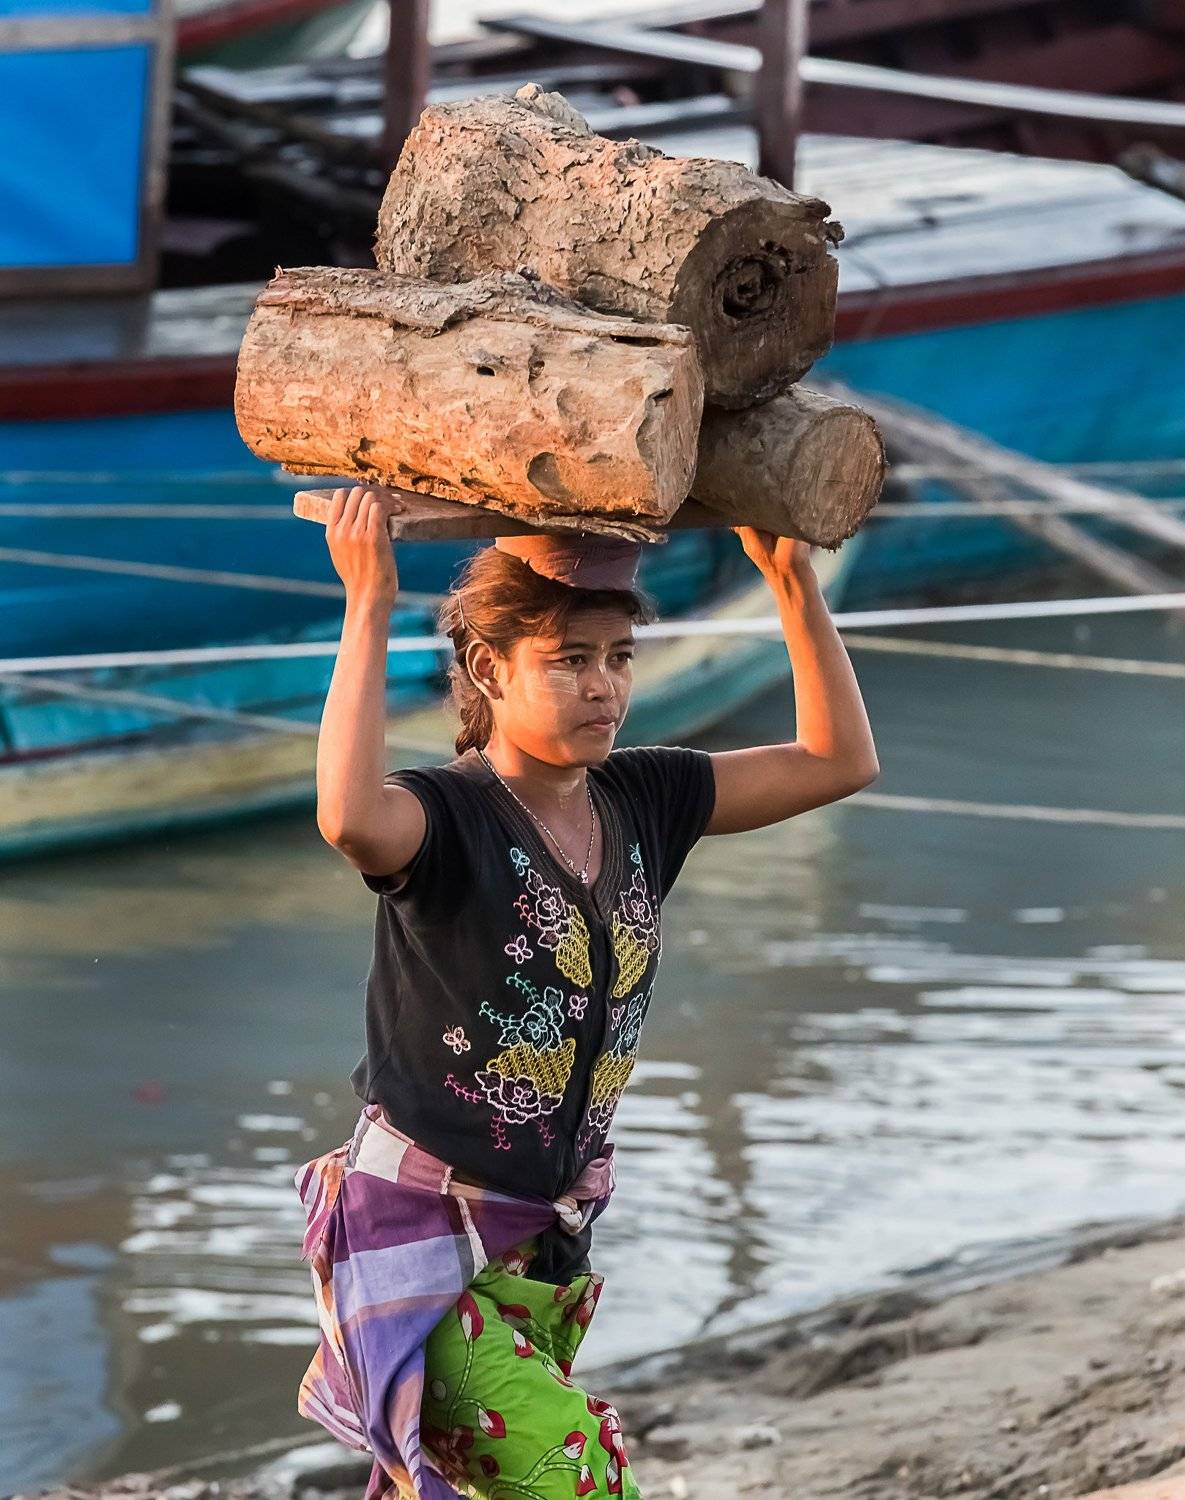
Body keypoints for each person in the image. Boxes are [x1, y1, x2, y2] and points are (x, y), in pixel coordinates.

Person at [299, 485, 880, 1500]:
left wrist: (792, 582)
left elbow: (838, 761)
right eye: (568, 661)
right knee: (578, 1476)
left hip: (545, 1246)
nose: (603, 687)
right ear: (490, 669)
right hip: (425, 1244)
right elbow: (350, 818)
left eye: (618, 658)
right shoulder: (445, 819)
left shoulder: (645, 798)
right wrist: (368, 604)